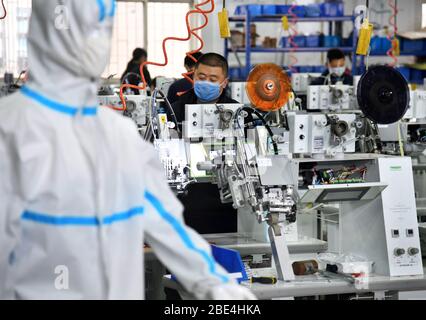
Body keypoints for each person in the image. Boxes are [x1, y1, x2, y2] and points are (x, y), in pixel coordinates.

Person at [0, 0, 256, 300]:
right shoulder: (10, 129)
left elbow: (170, 230)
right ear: (38, 35)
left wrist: (222, 290)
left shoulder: (118, 135)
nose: (86, 43)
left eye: (99, 30)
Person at [170, 52, 238, 129]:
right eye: (201, 78)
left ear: (225, 83)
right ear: (194, 77)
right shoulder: (176, 110)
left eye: (213, 79)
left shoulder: (236, 111)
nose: (206, 82)